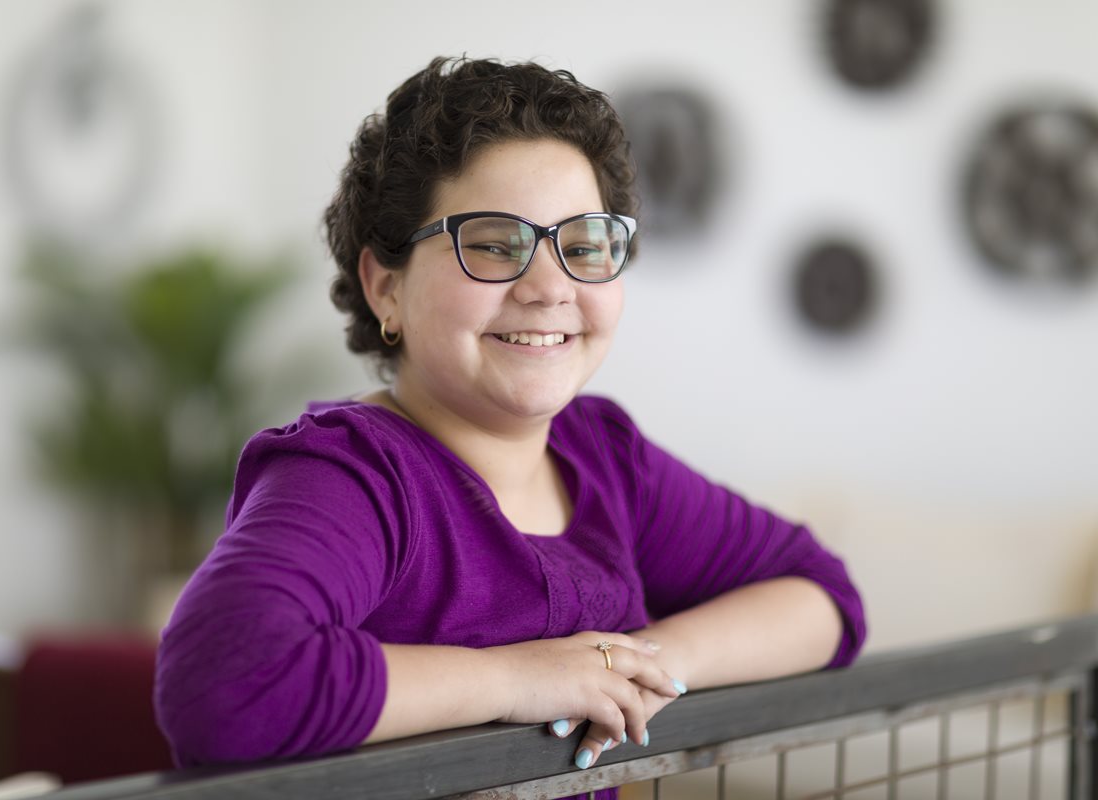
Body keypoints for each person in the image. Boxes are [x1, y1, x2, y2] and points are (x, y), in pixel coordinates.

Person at [154, 56, 867, 797]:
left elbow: (821, 596)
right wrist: (517, 679)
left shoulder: (605, 456)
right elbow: (226, 684)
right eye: (494, 244)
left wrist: (633, 663)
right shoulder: (355, 475)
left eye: (584, 245)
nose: (550, 287)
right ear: (385, 286)